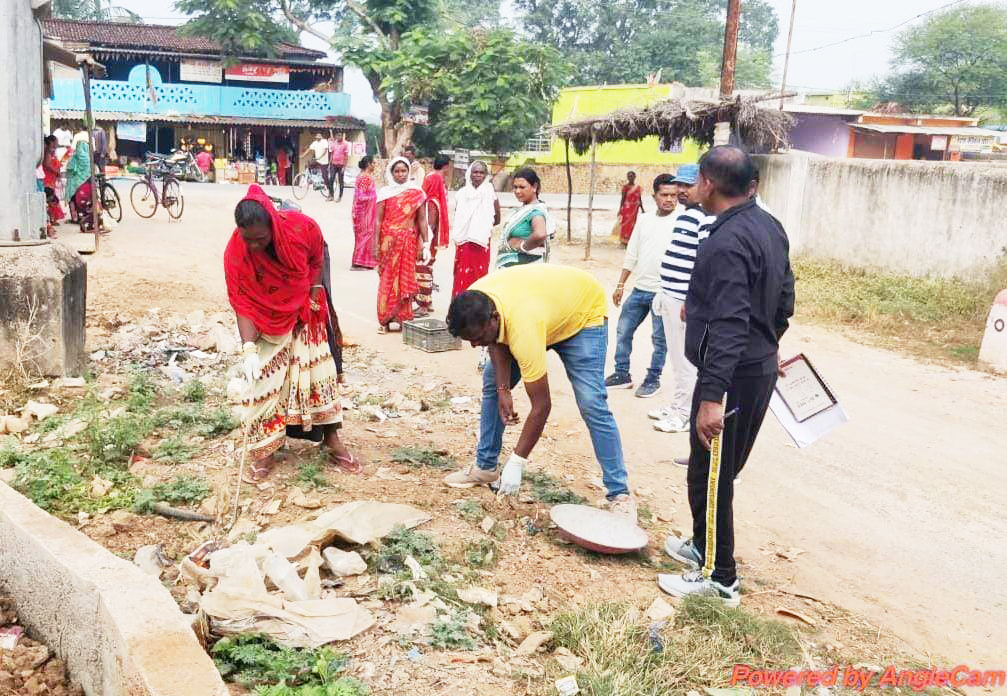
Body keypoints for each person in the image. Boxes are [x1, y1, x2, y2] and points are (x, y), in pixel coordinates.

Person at [658, 146, 795, 607]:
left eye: (695, 179)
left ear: (709, 183)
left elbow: (732, 322)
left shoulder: (726, 241)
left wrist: (712, 395)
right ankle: (703, 545)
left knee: (712, 474)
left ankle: (720, 579)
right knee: (709, 468)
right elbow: (784, 300)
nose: (689, 187)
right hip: (751, 366)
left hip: (732, 376)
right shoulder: (767, 226)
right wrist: (768, 344)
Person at [442, 264, 636, 516]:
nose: (474, 345)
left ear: (494, 318)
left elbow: (542, 406)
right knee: (492, 385)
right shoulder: (475, 300)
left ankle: (619, 493)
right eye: (469, 340)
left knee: (592, 403)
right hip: (540, 308)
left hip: (581, 313)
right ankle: (486, 467)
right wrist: (503, 388)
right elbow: (496, 340)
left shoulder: (523, 328)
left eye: (477, 338)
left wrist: (517, 462)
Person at [223, 185, 359, 481]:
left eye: (261, 239)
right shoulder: (236, 252)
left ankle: (332, 440)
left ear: (272, 224)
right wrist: (248, 349)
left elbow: (316, 259)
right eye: (249, 240)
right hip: (266, 318)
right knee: (264, 382)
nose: (255, 246)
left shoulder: (302, 229)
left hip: (305, 306)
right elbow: (241, 299)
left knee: (319, 372)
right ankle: (264, 453)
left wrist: (313, 291)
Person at [650, 164, 717, 435]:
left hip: (683, 301)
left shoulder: (706, 218)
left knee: (686, 360)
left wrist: (691, 300)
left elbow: (703, 262)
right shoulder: (686, 215)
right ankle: (677, 404)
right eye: (679, 185)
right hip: (670, 294)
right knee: (676, 359)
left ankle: (683, 413)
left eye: (687, 186)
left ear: (704, 186)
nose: (680, 191)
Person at [604, 173, 682, 399]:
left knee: (660, 339)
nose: (669, 199)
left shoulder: (682, 221)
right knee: (623, 330)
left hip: (665, 293)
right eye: (664, 194)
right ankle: (621, 374)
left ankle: (652, 379)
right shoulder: (645, 220)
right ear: (654, 196)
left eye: (674, 195)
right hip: (639, 290)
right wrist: (620, 284)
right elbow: (632, 254)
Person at [375, 157, 428, 333]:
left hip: (408, 242)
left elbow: (421, 220)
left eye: (403, 171)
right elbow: (378, 221)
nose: (400, 174)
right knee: (387, 279)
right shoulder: (385, 193)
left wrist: (426, 244)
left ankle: (403, 318)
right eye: (396, 171)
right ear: (391, 172)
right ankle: (385, 320)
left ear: (408, 172)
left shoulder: (416, 192)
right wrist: (376, 244)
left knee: (405, 280)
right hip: (387, 243)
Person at [451, 160, 500, 297]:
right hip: (463, 241)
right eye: (475, 172)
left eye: (481, 172)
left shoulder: (490, 193)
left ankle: (477, 311)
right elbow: (458, 215)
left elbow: (497, 219)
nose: (478, 175)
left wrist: (480, 227)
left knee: (479, 276)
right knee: (461, 275)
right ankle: (458, 309)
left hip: (481, 242)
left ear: (486, 175)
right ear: (470, 174)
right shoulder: (461, 193)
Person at [415, 154, 451, 316]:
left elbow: (429, 225)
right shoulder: (435, 199)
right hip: (431, 240)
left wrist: (423, 243)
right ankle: (427, 302)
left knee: (422, 266)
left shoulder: (430, 203)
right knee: (428, 267)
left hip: (426, 240)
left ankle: (423, 305)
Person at [496, 167, 552, 269]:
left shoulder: (536, 211)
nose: (517, 191)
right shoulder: (524, 209)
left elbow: (540, 234)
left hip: (523, 269)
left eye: (522, 187)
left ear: (534, 187)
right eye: (515, 187)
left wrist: (523, 246)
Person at [351, 155, 378, 270]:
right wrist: (375, 197)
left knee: (364, 235)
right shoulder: (365, 178)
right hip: (363, 212)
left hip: (364, 211)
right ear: (368, 164)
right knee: (365, 235)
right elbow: (361, 196)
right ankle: (359, 263)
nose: (374, 166)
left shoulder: (364, 176)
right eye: (373, 163)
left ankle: (364, 261)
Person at [64, 136, 90, 225]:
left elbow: (69, 170)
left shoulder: (73, 157)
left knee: (72, 199)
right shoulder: (88, 158)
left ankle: (74, 218)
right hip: (84, 184)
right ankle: (83, 216)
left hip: (73, 184)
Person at [41, 135, 65, 229]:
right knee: (51, 199)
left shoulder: (52, 152)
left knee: (51, 199)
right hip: (47, 179)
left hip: (51, 179)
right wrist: (56, 171)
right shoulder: (48, 152)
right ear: (52, 142)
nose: (57, 143)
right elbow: (47, 164)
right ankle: (51, 219)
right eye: (56, 141)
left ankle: (52, 218)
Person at [301, 134, 332, 200]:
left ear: (321, 137)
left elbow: (325, 151)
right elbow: (309, 149)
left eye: (318, 138)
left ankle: (330, 192)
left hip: (324, 162)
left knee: (325, 176)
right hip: (317, 160)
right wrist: (303, 155)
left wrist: (320, 157)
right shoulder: (315, 143)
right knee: (308, 166)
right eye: (316, 138)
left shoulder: (324, 142)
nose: (317, 139)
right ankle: (311, 180)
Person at [617, 171, 644, 246]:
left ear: (635, 177)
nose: (630, 178)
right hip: (626, 209)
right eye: (629, 176)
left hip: (634, 209)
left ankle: (630, 240)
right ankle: (623, 241)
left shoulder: (638, 188)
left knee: (633, 224)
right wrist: (620, 209)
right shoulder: (625, 187)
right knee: (625, 224)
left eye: (632, 176)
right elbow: (623, 199)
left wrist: (642, 209)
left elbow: (639, 199)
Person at [328, 132, 350, 202]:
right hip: (334, 164)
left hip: (341, 165)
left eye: (340, 136)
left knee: (341, 182)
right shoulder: (334, 144)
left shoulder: (345, 144)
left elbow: (346, 156)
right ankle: (331, 195)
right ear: (336, 136)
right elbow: (332, 154)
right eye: (338, 136)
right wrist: (329, 164)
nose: (339, 137)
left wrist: (344, 167)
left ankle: (340, 197)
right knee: (331, 179)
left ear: (342, 136)